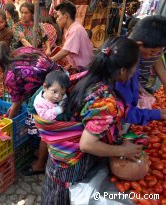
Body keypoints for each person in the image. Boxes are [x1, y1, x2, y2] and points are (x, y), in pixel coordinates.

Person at [42, 37, 143, 205]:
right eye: (135, 67)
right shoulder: (104, 100)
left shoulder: (87, 76)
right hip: (71, 166)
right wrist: (123, 151)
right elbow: (87, 144)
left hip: (58, 158)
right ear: (123, 71)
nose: (135, 72)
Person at [0, 42, 62, 119]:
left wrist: (8, 122)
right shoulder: (20, 51)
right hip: (61, 75)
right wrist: (15, 104)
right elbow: (24, 87)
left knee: (41, 117)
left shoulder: (11, 75)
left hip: (54, 90)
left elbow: (16, 107)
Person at [115, 15, 166, 126]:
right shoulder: (123, 68)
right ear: (139, 45)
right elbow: (122, 112)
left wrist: (138, 88)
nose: (153, 56)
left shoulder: (130, 58)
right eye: (152, 52)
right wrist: (157, 114)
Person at [50, 1, 93, 73]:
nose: (56, 20)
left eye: (58, 16)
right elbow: (75, 52)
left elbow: (66, 51)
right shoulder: (74, 28)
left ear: (66, 15)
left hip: (85, 69)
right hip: (83, 68)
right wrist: (70, 65)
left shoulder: (75, 30)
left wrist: (49, 61)